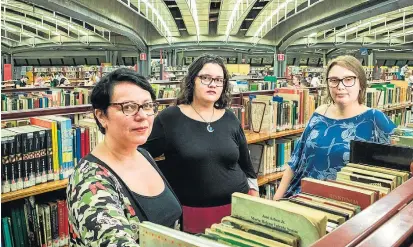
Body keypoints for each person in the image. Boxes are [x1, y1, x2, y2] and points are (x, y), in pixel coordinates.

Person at [142, 54, 259, 234]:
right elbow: (141, 154)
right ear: (192, 81)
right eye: (206, 78)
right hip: (192, 213)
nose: (213, 84)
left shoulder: (229, 118)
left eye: (219, 80)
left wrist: (254, 198)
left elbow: (246, 165)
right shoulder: (170, 118)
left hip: (237, 209)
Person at [67, 68, 182, 246]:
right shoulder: (89, 181)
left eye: (147, 106)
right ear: (101, 116)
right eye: (128, 107)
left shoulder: (143, 154)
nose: (142, 116)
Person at [273, 55, 396, 200]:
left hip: (342, 205)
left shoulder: (375, 119)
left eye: (348, 79)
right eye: (334, 80)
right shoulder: (319, 113)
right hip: (301, 198)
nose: (341, 86)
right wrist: (276, 200)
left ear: (361, 83)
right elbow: (295, 161)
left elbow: (397, 168)